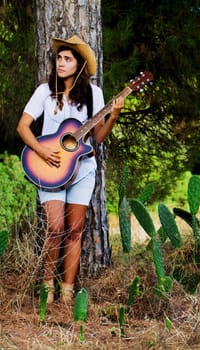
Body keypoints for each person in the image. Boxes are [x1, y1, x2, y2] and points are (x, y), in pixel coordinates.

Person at [17, 35, 124, 304]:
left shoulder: (93, 95)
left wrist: (113, 116)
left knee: (75, 230)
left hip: (83, 169)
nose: (61, 63)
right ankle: (46, 288)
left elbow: (97, 138)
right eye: (59, 58)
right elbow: (23, 126)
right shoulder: (44, 91)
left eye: (68, 59)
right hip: (49, 168)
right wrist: (41, 150)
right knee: (55, 228)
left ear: (79, 65)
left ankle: (66, 293)